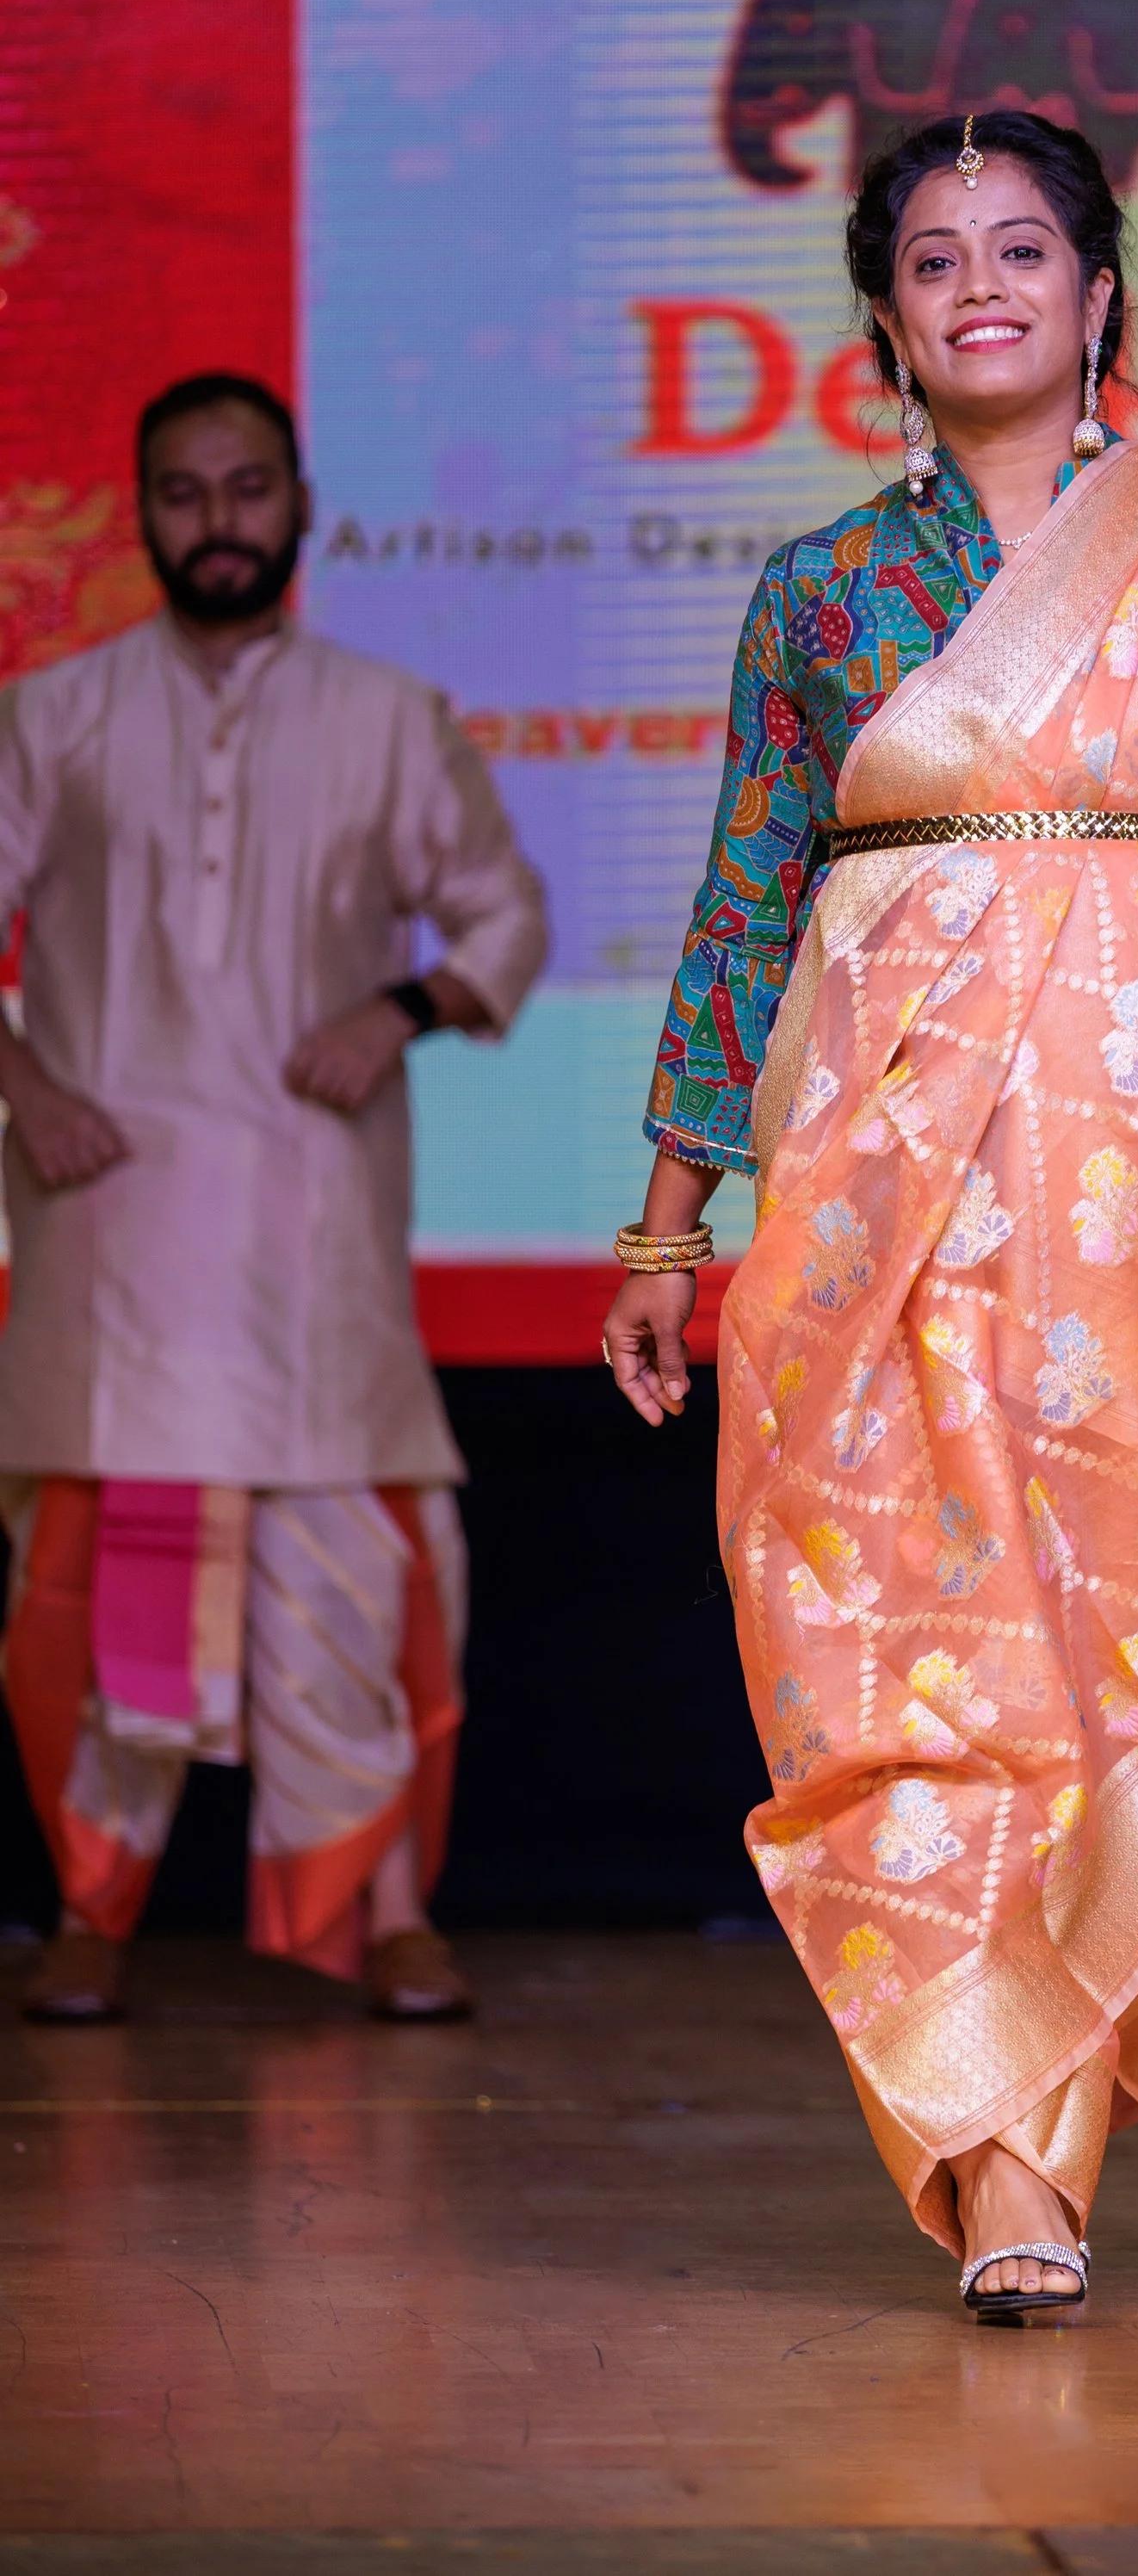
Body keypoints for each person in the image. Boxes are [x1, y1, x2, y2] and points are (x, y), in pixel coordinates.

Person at [603, 110, 1138, 2318]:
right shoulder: (817, 593)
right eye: (928, 253)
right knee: (890, 1634)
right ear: (881, 315)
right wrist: (667, 1226)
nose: (976, 280)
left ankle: (1026, 2156)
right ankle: (989, 2141)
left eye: (1020, 247)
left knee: (1095, 1642)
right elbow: (738, 910)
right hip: (876, 1165)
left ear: (1099, 296)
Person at [0, 373, 547, 2024]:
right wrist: (25, 1083)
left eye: (248, 489)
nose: (217, 520)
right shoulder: (57, 712)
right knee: (103, 1581)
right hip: (112, 1219)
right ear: (144, 512)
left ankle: (385, 1907)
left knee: (349, 1576)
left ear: (302, 504)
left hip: (311, 1222)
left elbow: (505, 919)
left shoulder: (388, 714)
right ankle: (91, 1909)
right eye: (183, 492)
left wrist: (397, 1009)